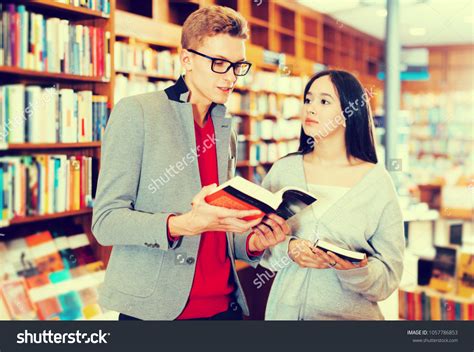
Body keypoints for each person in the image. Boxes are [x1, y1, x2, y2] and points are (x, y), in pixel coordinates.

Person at [92, 5, 290, 321]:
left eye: (238, 66)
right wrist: (184, 224)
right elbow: (106, 222)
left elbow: (218, 230)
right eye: (219, 64)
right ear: (187, 60)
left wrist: (253, 242)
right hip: (156, 313)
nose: (230, 77)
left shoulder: (225, 128)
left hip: (226, 309)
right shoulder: (137, 113)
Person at [259, 70, 405, 320]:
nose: (310, 109)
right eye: (308, 99)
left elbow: (389, 277)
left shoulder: (377, 182)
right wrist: (289, 249)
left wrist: (357, 272)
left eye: (324, 101)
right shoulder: (284, 171)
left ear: (349, 114)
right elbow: (255, 242)